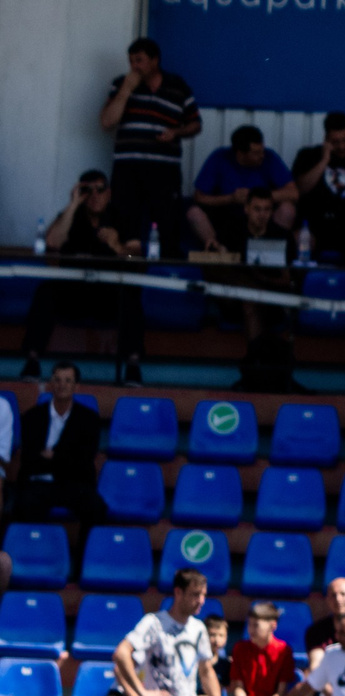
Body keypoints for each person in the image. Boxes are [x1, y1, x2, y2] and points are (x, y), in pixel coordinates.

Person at [20, 172, 144, 384]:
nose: (95, 195)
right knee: (45, 292)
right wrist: (72, 204)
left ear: (109, 193)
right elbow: (52, 244)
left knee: (130, 296)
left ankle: (132, 366)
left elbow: (137, 257)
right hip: (74, 293)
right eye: (88, 190)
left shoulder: (122, 218)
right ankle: (32, 361)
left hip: (108, 295)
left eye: (100, 189)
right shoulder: (72, 215)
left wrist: (117, 246)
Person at [99, 37, 199, 259]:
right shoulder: (120, 83)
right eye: (131, 61)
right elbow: (107, 122)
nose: (134, 66)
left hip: (165, 168)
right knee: (126, 221)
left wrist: (176, 132)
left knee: (167, 221)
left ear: (155, 61)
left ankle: (164, 273)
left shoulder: (177, 86)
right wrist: (126, 89)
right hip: (128, 166)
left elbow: (195, 123)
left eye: (140, 60)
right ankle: (127, 269)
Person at [112, 566, 223, 696]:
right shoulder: (154, 623)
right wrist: (142, 693)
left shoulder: (199, 628)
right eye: (195, 594)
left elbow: (206, 671)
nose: (201, 601)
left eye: (203, 595)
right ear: (178, 593)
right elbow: (121, 653)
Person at [12, 363, 103, 530]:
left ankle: (86, 555)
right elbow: (29, 459)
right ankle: (29, 554)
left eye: (68, 381)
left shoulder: (89, 419)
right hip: (39, 484)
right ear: (50, 384)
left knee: (96, 507)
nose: (62, 385)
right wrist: (66, 457)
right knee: (23, 504)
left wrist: (53, 456)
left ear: (76, 386)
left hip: (74, 485)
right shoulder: (32, 417)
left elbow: (84, 462)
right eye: (58, 380)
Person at [184, 123, 294, 254]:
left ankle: (273, 250)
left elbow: (293, 193)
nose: (262, 156)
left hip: (261, 219)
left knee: (288, 209)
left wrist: (257, 198)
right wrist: (230, 199)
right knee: (194, 213)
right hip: (225, 219)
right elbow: (199, 197)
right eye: (256, 153)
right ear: (240, 154)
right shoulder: (219, 158)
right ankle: (216, 249)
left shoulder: (269, 157)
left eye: (262, 151)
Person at [227, 602, 296, 696]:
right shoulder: (240, 648)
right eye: (249, 625)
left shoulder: (284, 651)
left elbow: (281, 693)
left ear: (273, 626)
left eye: (256, 625)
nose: (251, 630)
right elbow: (238, 686)